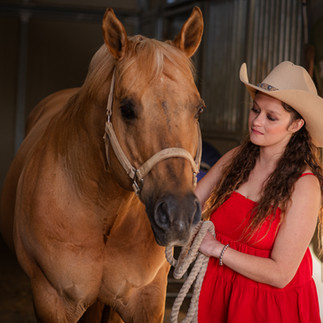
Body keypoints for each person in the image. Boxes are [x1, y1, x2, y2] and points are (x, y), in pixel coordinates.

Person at [195, 61, 323, 323]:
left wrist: (217, 250)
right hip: (221, 291)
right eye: (255, 110)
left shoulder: (305, 185)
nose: (256, 121)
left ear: (296, 125)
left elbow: (281, 274)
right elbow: (192, 203)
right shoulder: (237, 158)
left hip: (267, 307)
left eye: (271, 116)